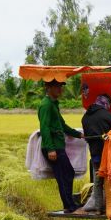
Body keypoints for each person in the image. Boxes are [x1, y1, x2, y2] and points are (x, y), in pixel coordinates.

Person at [37, 79, 84, 213]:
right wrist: (51, 149)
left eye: (61, 87)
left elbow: (62, 125)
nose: (60, 89)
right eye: (57, 87)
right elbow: (44, 128)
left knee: (67, 173)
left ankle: (69, 204)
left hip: (58, 146)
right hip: (53, 147)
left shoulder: (53, 104)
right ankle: (69, 205)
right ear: (48, 87)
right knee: (64, 175)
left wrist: (78, 134)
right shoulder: (46, 105)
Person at [74, 93, 111, 215]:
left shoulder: (85, 117)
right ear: (106, 103)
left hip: (95, 155)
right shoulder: (106, 115)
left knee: (98, 181)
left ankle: (98, 209)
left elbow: (87, 137)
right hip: (108, 154)